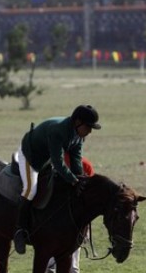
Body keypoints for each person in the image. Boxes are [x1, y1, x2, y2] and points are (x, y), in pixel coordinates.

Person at [13, 105, 101, 255]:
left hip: (46, 159)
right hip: (30, 157)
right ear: (78, 122)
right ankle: (19, 231)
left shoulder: (78, 136)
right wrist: (74, 181)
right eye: (88, 127)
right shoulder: (58, 131)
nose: (90, 131)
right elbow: (59, 162)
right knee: (31, 189)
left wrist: (79, 178)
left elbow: (76, 160)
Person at [39, 154, 95, 273]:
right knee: (49, 266)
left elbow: (90, 201)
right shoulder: (51, 163)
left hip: (74, 227)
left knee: (73, 266)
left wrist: (87, 228)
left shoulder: (85, 164)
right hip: (52, 226)